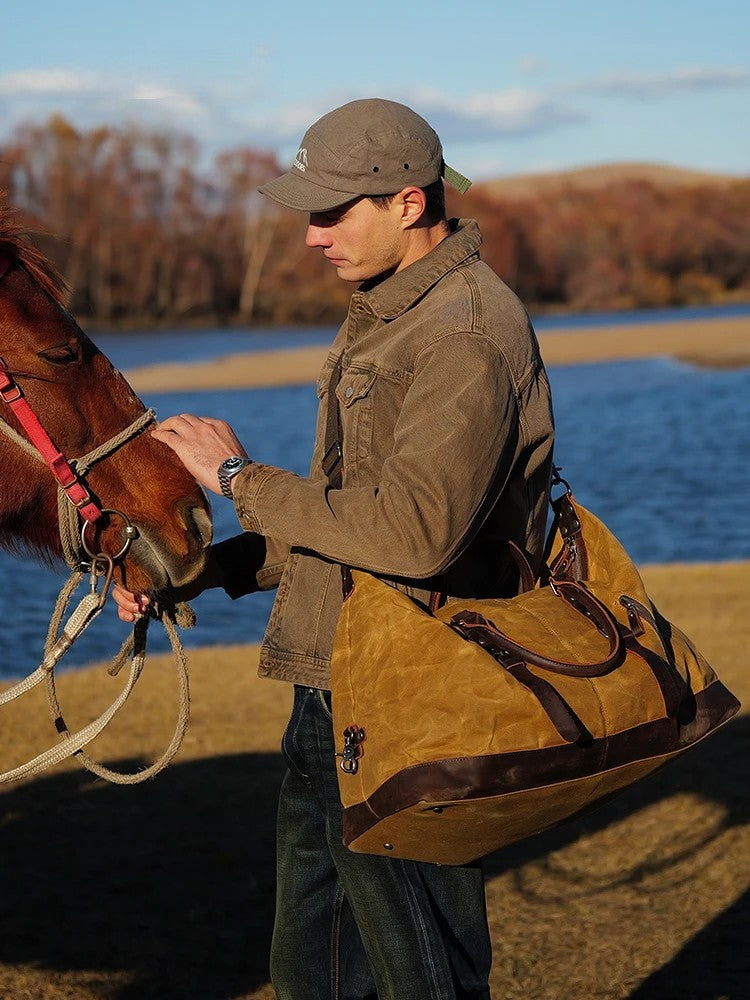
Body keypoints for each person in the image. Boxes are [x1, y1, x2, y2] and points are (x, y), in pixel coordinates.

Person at [114, 98, 555, 999]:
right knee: (312, 971)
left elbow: (415, 536)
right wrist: (205, 569)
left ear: (408, 203)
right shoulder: (390, 315)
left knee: (422, 974)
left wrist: (236, 476)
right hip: (335, 688)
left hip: (412, 700)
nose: (312, 237)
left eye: (331, 211)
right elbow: (350, 521)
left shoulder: (465, 332)